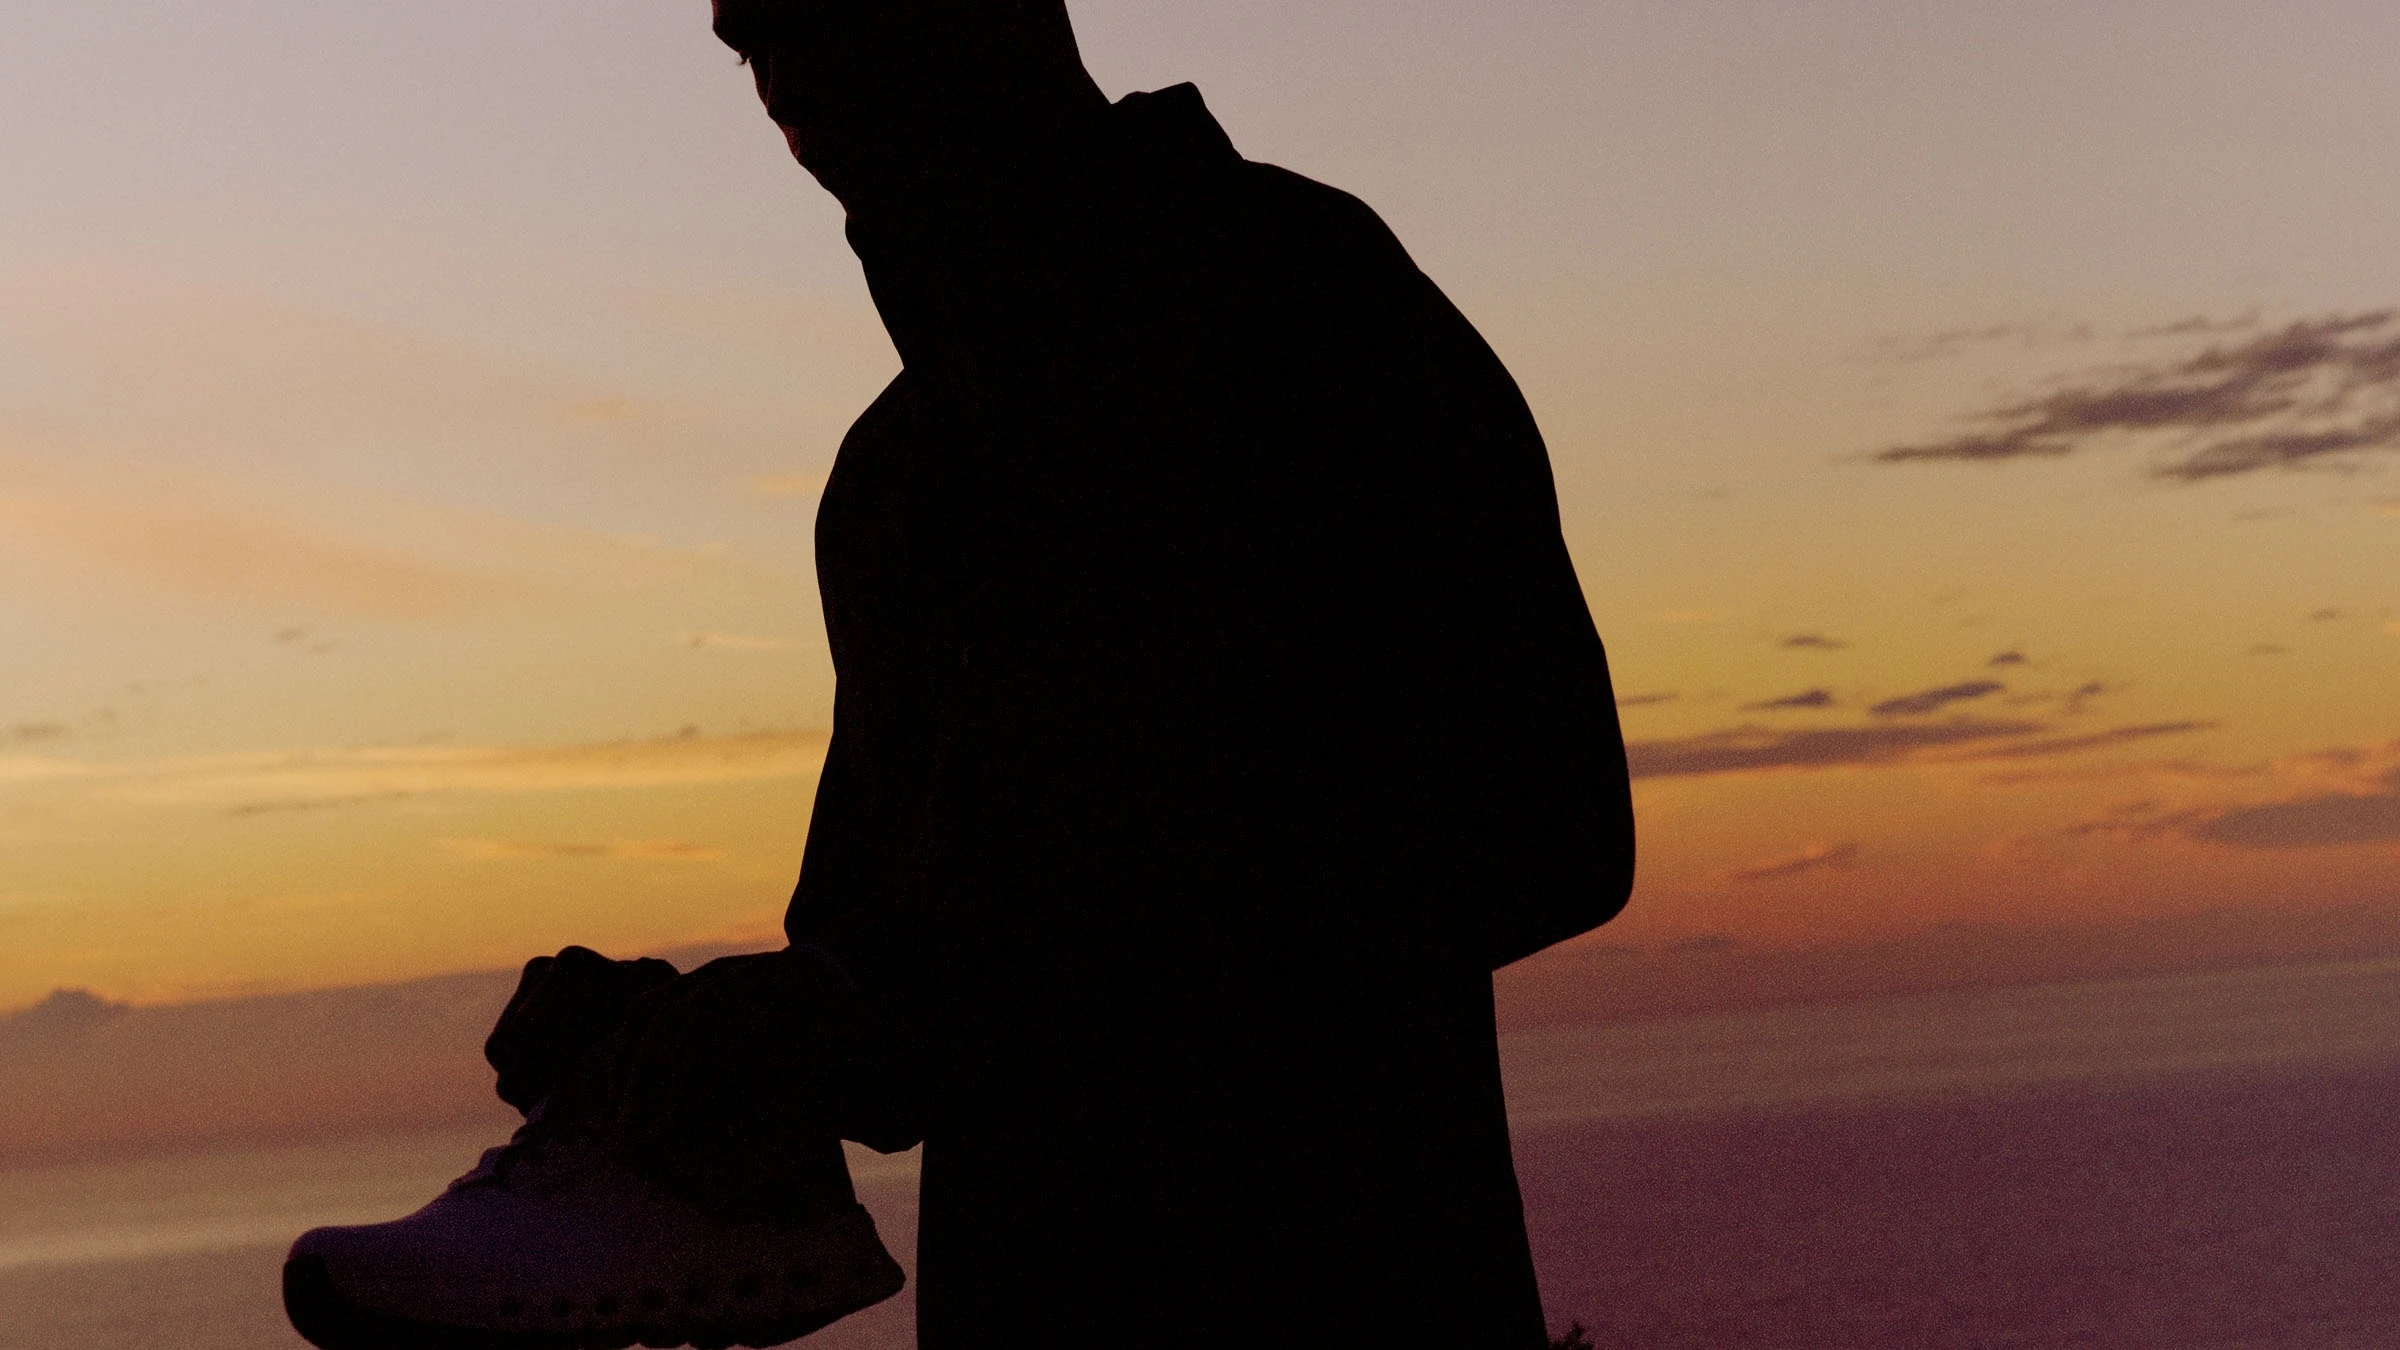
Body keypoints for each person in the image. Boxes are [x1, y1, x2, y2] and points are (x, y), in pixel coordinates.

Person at [286, 2, 1634, 1346]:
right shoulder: (890, 489)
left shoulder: (1298, 296)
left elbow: (1552, 827)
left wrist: (960, 996)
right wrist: (688, 1043)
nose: (747, 33)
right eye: (746, 22)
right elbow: (893, 989)